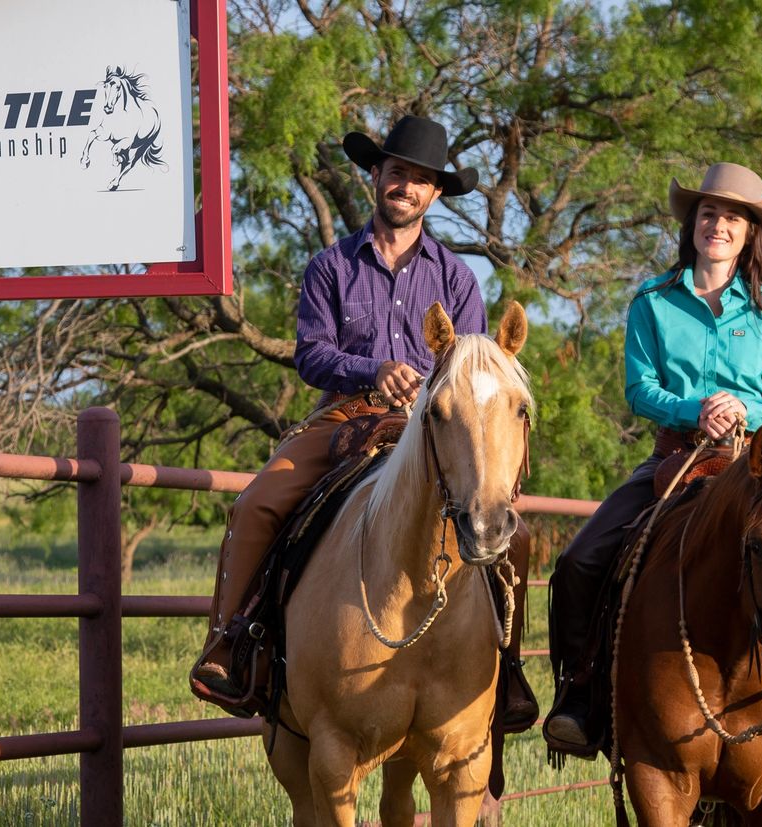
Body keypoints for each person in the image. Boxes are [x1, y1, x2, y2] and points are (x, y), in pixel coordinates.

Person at [190, 115, 539, 731]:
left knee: (512, 529)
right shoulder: (331, 266)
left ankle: (505, 669)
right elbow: (310, 352)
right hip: (346, 417)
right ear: (375, 176)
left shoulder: (458, 279)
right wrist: (373, 370)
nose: (407, 187)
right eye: (397, 173)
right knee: (256, 506)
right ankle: (234, 644)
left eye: (421, 180)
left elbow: (477, 368)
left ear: (434, 195)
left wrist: (431, 390)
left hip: (436, 427)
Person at [543, 162, 762, 752]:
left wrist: (746, 410)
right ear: (692, 223)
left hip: (760, 470)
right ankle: (582, 693)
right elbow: (638, 388)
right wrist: (695, 408)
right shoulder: (653, 300)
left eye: (732, 216)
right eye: (708, 213)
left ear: (750, 233)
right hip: (676, 459)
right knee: (578, 560)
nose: (718, 224)